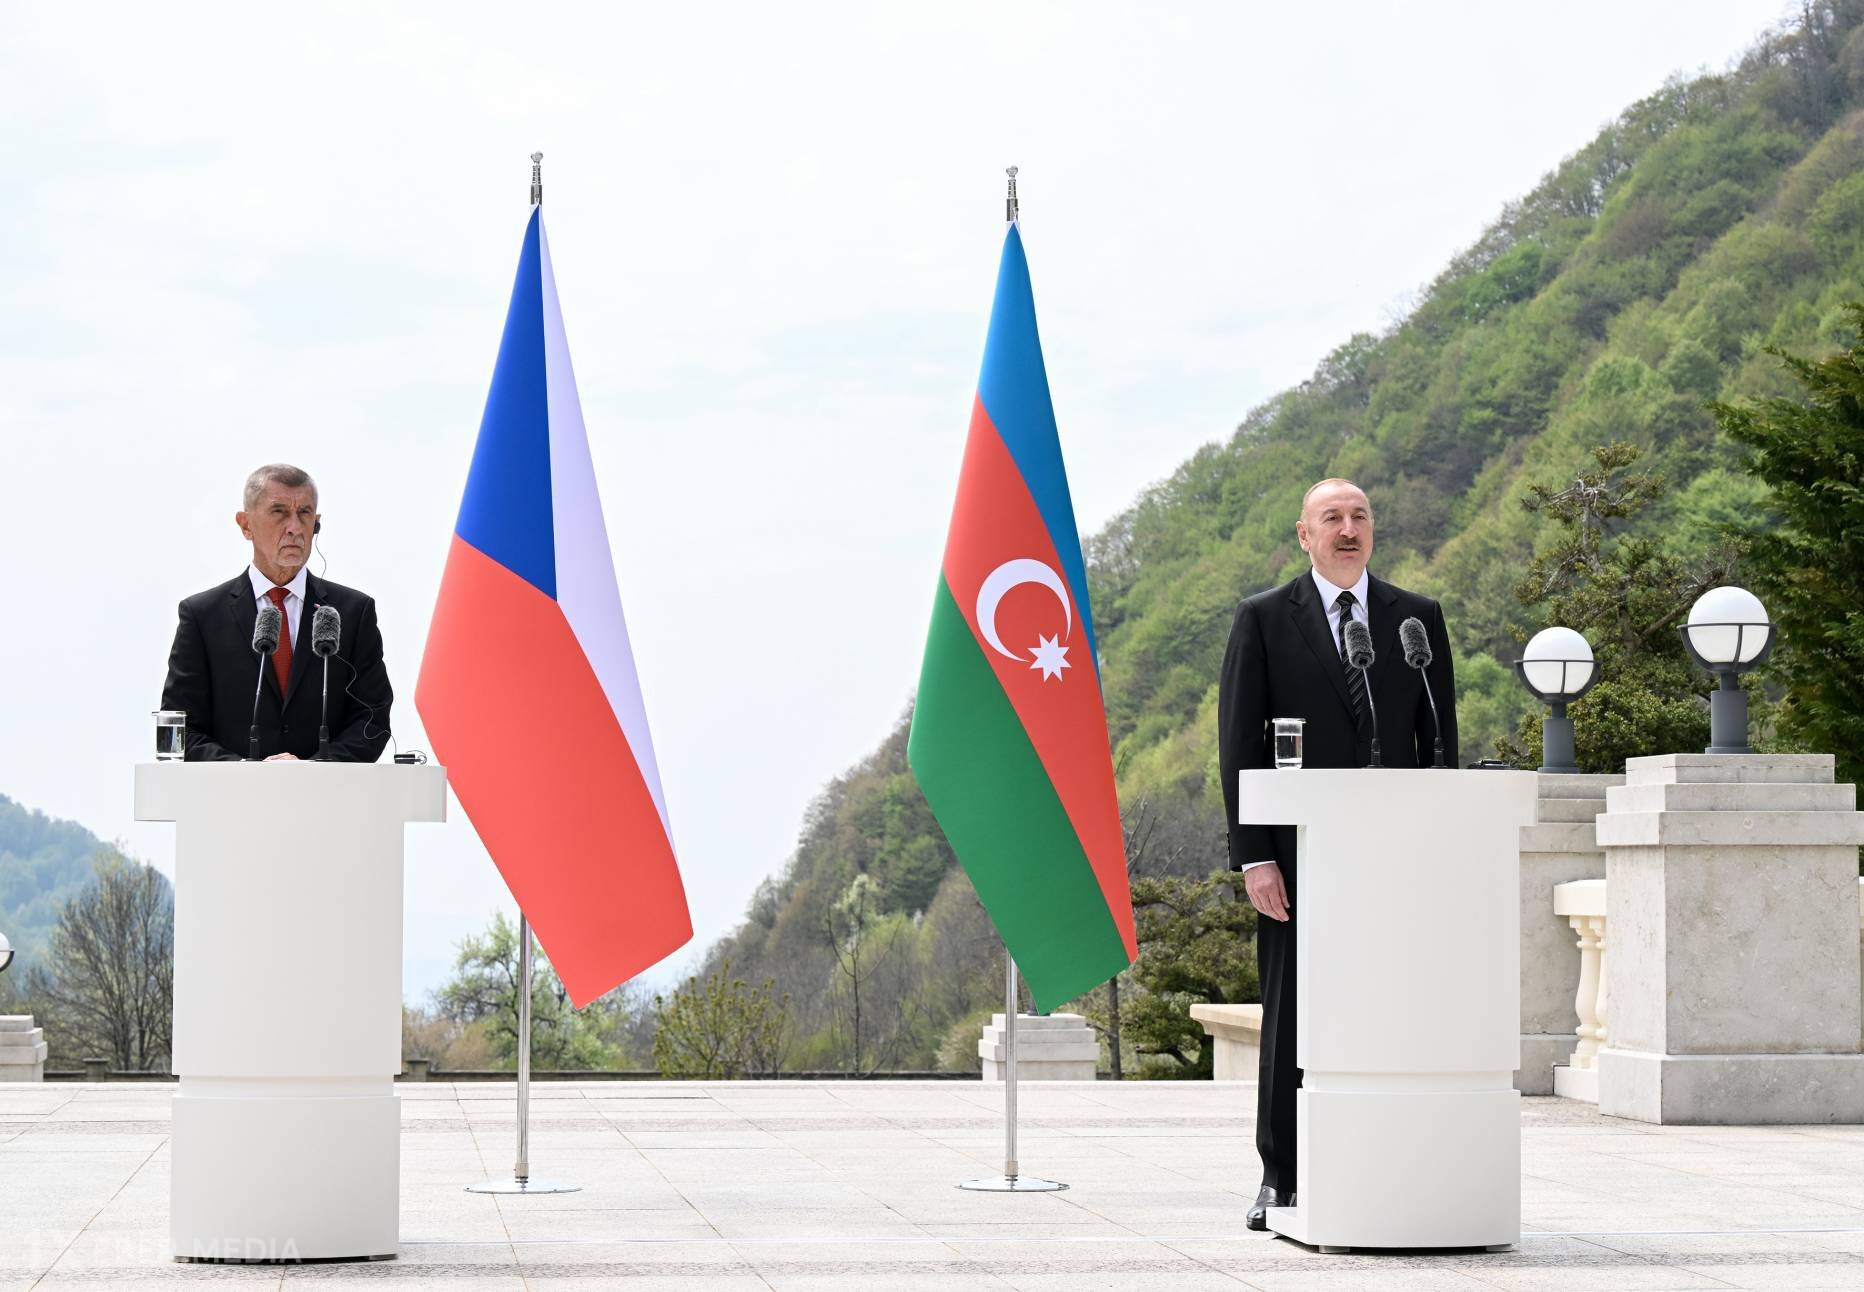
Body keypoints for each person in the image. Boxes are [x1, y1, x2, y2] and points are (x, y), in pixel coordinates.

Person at [1216, 478, 1457, 1230]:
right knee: (1291, 1013)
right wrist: (1254, 856)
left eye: (1359, 517)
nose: (1348, 529)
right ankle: (1279, 1177)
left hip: (1395, 858)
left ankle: (1391, 1163)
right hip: (1298, 857)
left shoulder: (1416, 621)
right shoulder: (1262, 620)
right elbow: (1239, 745)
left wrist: (1440, 846)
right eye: (1332, 518)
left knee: (1398, 1005)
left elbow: (1439, 744)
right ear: (1304, 535)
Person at [161, 464, 393, 762]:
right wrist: (247, 772)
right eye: (279, 512)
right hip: (231, 801)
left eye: (305, 513)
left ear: (316, 524)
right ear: (246, 525)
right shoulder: (202, 615)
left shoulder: (352, 612)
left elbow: (372, 719)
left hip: (327, 800)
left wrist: (315, 769)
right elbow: (180, 729)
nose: (294, 527)